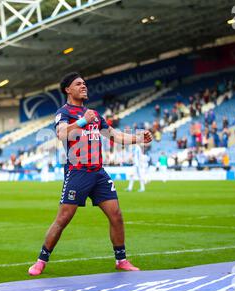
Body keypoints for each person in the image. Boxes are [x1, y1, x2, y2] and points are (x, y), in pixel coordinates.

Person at [28, 72, 153, 276]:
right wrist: (81, 122)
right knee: (63, 218)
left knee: (116, 215)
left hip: (98, 173)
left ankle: (121, 260)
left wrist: (139, 138)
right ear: (68, 89)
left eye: (84, 84)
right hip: (77, 173)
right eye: (78, 84)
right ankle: (41, 260)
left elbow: (114, 136)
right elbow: (61, 134)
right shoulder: (64, 112)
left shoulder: (94, 114)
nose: (83, 86)